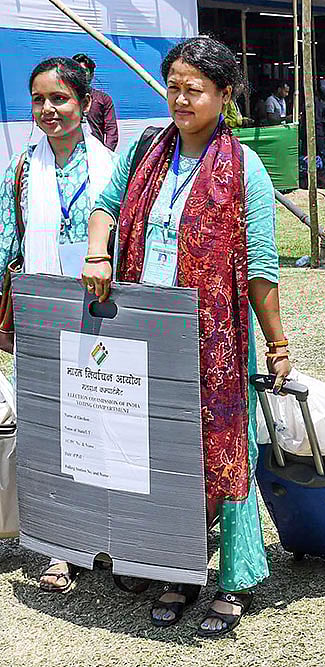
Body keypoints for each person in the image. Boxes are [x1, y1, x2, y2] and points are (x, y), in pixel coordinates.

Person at [82, 36, 292, 639]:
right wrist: (99, 252)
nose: (180, 98)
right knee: (158, 450)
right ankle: (173, 565)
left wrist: (277, 343)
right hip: (145, 329)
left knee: (224, 450)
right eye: (173, 86)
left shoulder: (244, 166)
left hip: (215, 336)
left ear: (225, 96)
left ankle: (233, 577)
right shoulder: (148, 150)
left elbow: (261, 266)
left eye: (194, 89)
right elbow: (107, 202)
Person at [0, 57, 116, 594]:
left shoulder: (114, 168)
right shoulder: (21, 171)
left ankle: (104, 535)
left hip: (97, 320)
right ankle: (56, 548)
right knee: (46, 432)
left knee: (98, 429)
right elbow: (6, 247)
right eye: (39, 100)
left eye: (60, 99)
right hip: (41, 318)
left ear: (85, 102)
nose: (49, 110)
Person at [71, 53, 119, 151]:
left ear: (92, 75)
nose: (79, 75)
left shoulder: (103, 99)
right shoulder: (63, 98)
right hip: (67, 152)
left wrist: (106, 154)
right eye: (76, 71)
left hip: (94, 153)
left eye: (84, 71)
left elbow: (111, 131)